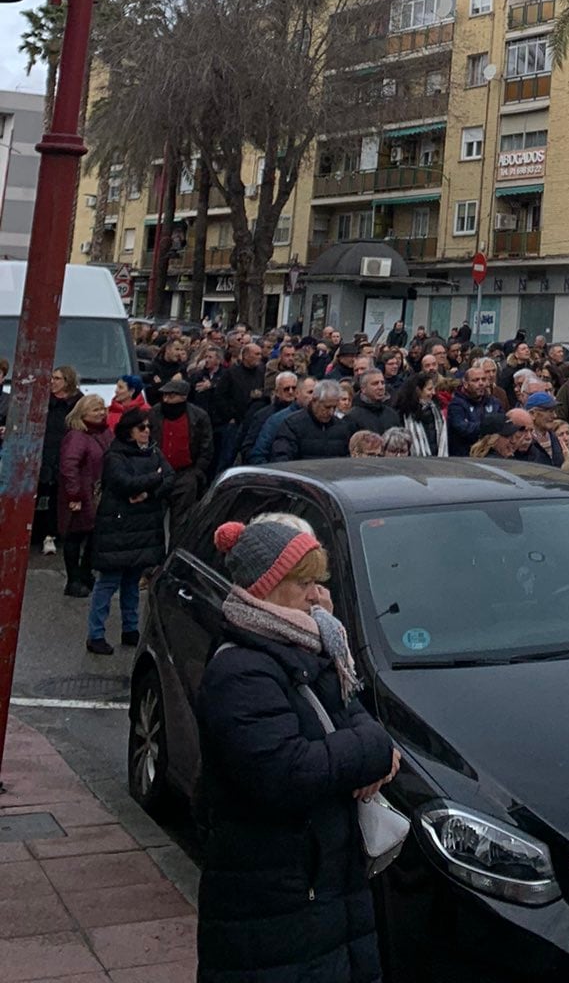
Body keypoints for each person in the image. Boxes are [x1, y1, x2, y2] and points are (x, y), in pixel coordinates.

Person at [196, 513, 398, 983]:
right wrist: (370, 753)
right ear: (265, 585)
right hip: (274, 909)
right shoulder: (242, 671)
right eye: (303, 582)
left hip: (321, 898)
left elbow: (358, 718)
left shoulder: (313, 648)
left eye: (317, 581)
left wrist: (367, 743)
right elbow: (287, 772)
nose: (316, 595)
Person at [87, 407, 173, 656]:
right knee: (109, 582)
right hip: (118, 528)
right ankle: (96, 634)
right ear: (129, 431)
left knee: (132, 583)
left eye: (148, 428)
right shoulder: (115, 456)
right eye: (141, 428)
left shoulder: (154, 452)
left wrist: (149, 491)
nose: (147, 432)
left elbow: (169, 478)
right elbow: (124, 483)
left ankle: (130, 628)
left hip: (143, 528)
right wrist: (154, 479)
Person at [148, 375, 214, 541]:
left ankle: (174, 556)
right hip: (158, 474)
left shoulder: (199, 416)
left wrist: (197, 471)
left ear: (183, 397)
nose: (167, 400)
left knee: (182, 521)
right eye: (164, 396)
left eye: (171, 396)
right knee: (154, 519)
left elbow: (206, 447)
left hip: (185, 474)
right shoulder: (153, 414)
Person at [58, 395, 112, 598]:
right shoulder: (77, 436)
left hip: (98, 492)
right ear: (83, 413)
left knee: (94, 536)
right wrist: (74, 495)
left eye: (102, 409)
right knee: (75, 535)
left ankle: (85, 572)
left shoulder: (104, 432)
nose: (101, 413)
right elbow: (69, 467)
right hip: (81, 494)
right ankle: (73, 580)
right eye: (96, 410)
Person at [35, 365, 83, 552]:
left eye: (57, 378)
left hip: (65, 453)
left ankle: (51, 534)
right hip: (44, 451)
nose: (52, 382)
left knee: (58, 497)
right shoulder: (45, 400)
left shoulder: (77, 403)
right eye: (52, 378)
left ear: (67, 381)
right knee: (39, 492)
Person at [269, 380, 353, 462]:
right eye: (327, 407)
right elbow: (282, 456)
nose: (331, 412)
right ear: (314, 401)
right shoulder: (293, 424)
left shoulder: (342, 427)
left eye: (334, 408)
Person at [396, 373, 449, 457]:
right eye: (429, 389)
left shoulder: (437, 412)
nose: (433, 392)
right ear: (418, 390)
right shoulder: (403, 414)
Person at [348, 369, 404, 438]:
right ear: (363, 389)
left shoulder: (392, 414)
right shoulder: (352, 417)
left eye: (383, 383)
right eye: (375, 384)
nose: (380, 387)